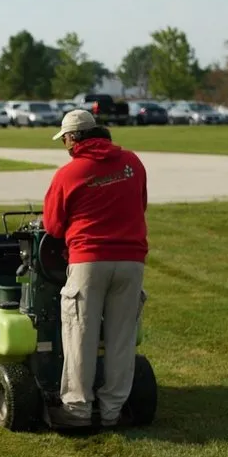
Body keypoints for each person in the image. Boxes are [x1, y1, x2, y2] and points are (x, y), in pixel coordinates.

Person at [42, 109, 148, 429]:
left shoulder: (68, 174)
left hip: (88, 261)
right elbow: (140, 205)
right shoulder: (133, 164)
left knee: (80, 336)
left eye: (65, 140)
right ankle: (113, 411)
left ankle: (78, 410)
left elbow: (53, 225)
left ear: (74, 139)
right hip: (131, 261)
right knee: (120, 338)